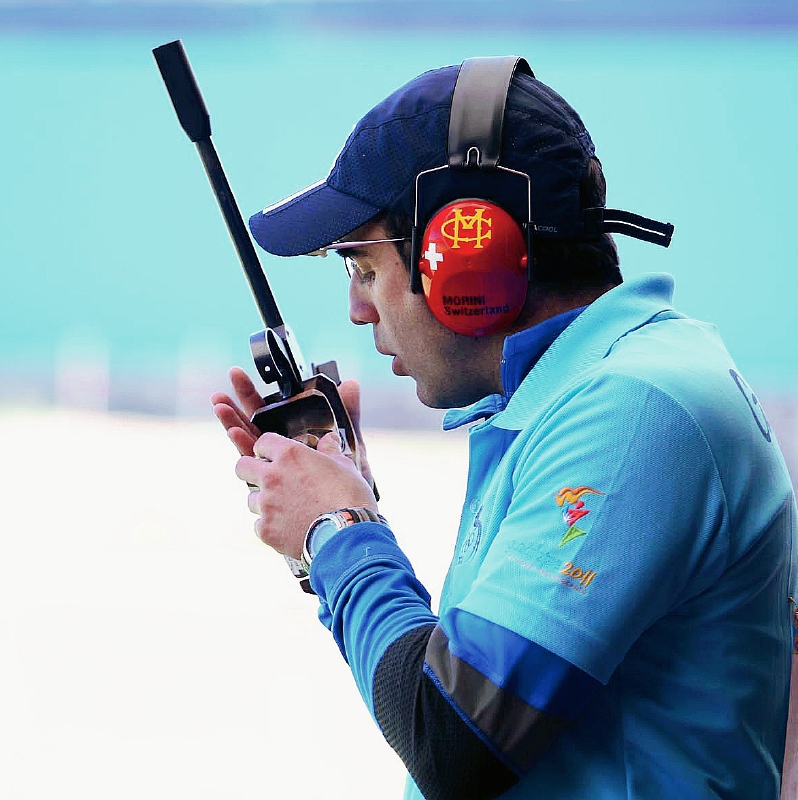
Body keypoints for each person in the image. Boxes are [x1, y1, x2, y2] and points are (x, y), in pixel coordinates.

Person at [211, 57, 796, 800]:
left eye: (363, 269)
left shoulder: (633, 410)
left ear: (467, 251)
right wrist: (337, 527)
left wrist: (336, 529)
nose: (359, 310)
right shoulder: (605, 390)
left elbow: (456, 739)